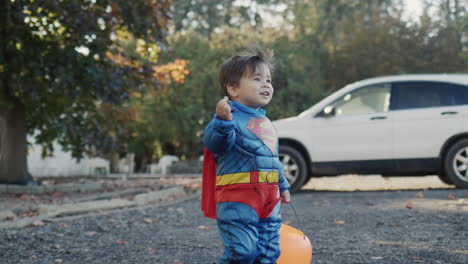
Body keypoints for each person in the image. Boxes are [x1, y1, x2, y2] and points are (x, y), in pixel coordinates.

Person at [202, 46, 291, 264]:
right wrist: (223, 122)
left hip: (269, 199)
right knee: (241, 252)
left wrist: (283, 184)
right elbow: (215, 143)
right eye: (257, 79)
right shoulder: (227, 118)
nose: (266, 84)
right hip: (237, 199)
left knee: (268, 253)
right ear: (233, 88)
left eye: (268, 80)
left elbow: (271, 159)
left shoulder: (266, 123)